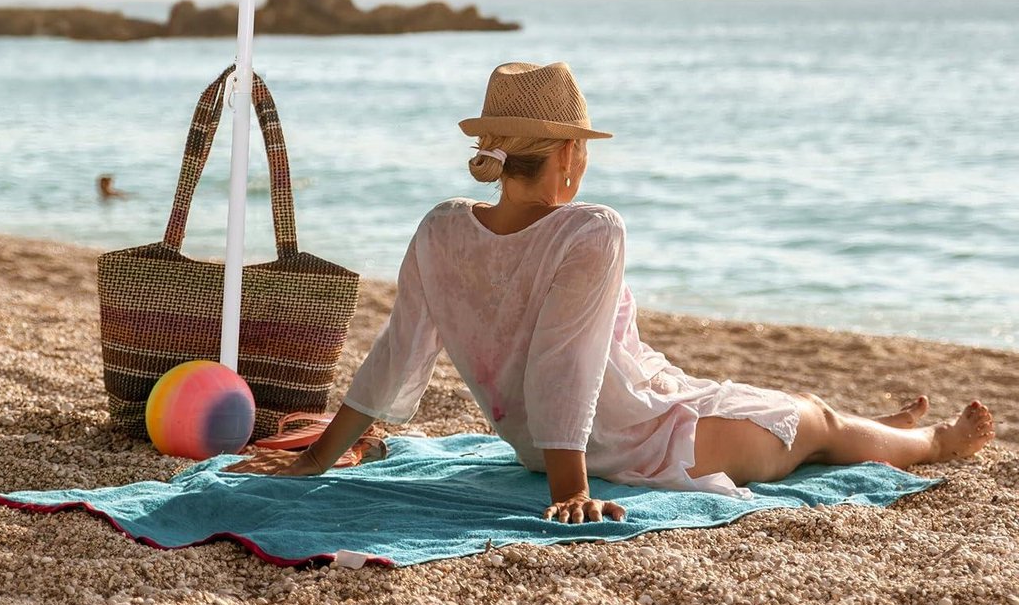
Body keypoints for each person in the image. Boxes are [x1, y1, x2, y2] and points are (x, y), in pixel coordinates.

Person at [231, 62, 995, 523]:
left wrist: (317, 460)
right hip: (642, 439)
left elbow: (397, 356)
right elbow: (562, 364)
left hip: (546, 440)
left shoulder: (441, 229)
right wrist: (571, 489)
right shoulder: (589, 230)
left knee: (796, 412)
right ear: (568, 155)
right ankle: (933, 443)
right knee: (817, 421)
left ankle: (879, 431)